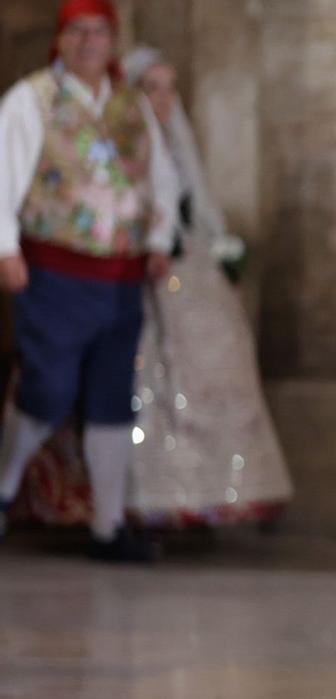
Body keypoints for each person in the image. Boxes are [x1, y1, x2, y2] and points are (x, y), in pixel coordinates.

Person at [0, 0, 178, 561]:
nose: (89, 42)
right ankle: (3, 488)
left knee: (111, 398)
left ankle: (107, 527)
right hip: (54, 270)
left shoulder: (131, 104)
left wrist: (158, 238)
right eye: (77, 31)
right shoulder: (33, 99)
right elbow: (3, 173)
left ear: (113, 39)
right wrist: (5, 249)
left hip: (121, 276)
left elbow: (161, 174)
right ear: (60, 38)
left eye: (99, 31)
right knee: (47, 389)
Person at [121, 47, 291, 529]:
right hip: (142, 269)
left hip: (187, 268)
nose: (163, 99)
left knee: (216, 365)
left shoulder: (177, 144)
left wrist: (220, 251)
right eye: (151, 87)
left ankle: (206, 493)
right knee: (151, 376)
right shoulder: (122, 142)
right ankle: (142, 498)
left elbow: (194, 200)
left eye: (170, 88)